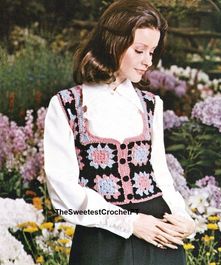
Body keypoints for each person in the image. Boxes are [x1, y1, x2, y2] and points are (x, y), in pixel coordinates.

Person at [44, 0, 196, 264]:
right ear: (113, 44)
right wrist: (130, 222)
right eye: (140, 50)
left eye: (152, 52)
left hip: (160, 237)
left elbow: (161, 174)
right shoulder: (66, 105)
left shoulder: (150, 104)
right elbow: (63, 195)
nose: (148, 61)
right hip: (101, 241)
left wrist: (184, 219)